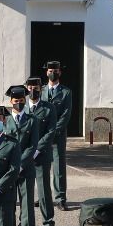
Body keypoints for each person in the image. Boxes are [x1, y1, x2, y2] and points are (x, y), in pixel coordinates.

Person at [7, 83, 47, 226]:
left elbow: (33, 145)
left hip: (26, 169)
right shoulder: (4, 120)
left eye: (21, 100)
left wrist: (21, 164)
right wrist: (12, 167)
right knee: (9, 208)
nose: (19, 103)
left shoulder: (32, 120)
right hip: (7, 171)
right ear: (10, 101)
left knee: (27, 207)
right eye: (16, 100)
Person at [26, 76, 60, 226]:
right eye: (30, 87)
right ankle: (24, 221)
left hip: (41, 155)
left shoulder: (49, 108)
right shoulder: (21, 108)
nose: (33, 90)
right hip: (24, 157)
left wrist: (37, 149)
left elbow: (50, 131)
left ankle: (48, 222)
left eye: (36, 87)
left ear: (41, 89)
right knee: (25, 192)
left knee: (44, 190)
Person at [43, 60, 75, 211]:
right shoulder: (41, 91)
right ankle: (43, 196)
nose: (52, 73)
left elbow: (66, 114)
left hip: (58, 135)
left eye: (55, 71)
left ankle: (60, 198)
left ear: (60, 72)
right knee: (42, 167)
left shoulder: (66, 92)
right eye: (50, 71)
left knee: (59, 167)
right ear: (46, 72)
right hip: (42, 135)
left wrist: (54, 131)